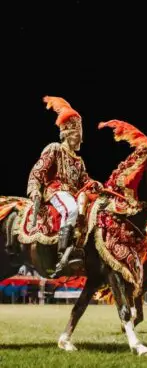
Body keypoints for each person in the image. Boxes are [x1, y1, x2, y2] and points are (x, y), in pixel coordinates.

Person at [27, 96, 101, 276]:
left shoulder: (79, 160)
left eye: (80, 134)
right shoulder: (55, 148)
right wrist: (34, 189)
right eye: (77, 134)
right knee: (71, 210)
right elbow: (38, 170)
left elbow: (84, 180)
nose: (80, 138)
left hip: (74, 193)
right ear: (67, 133)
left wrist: (95, 184)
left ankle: (81, 251)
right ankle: (62, 254)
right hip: (56, 190)